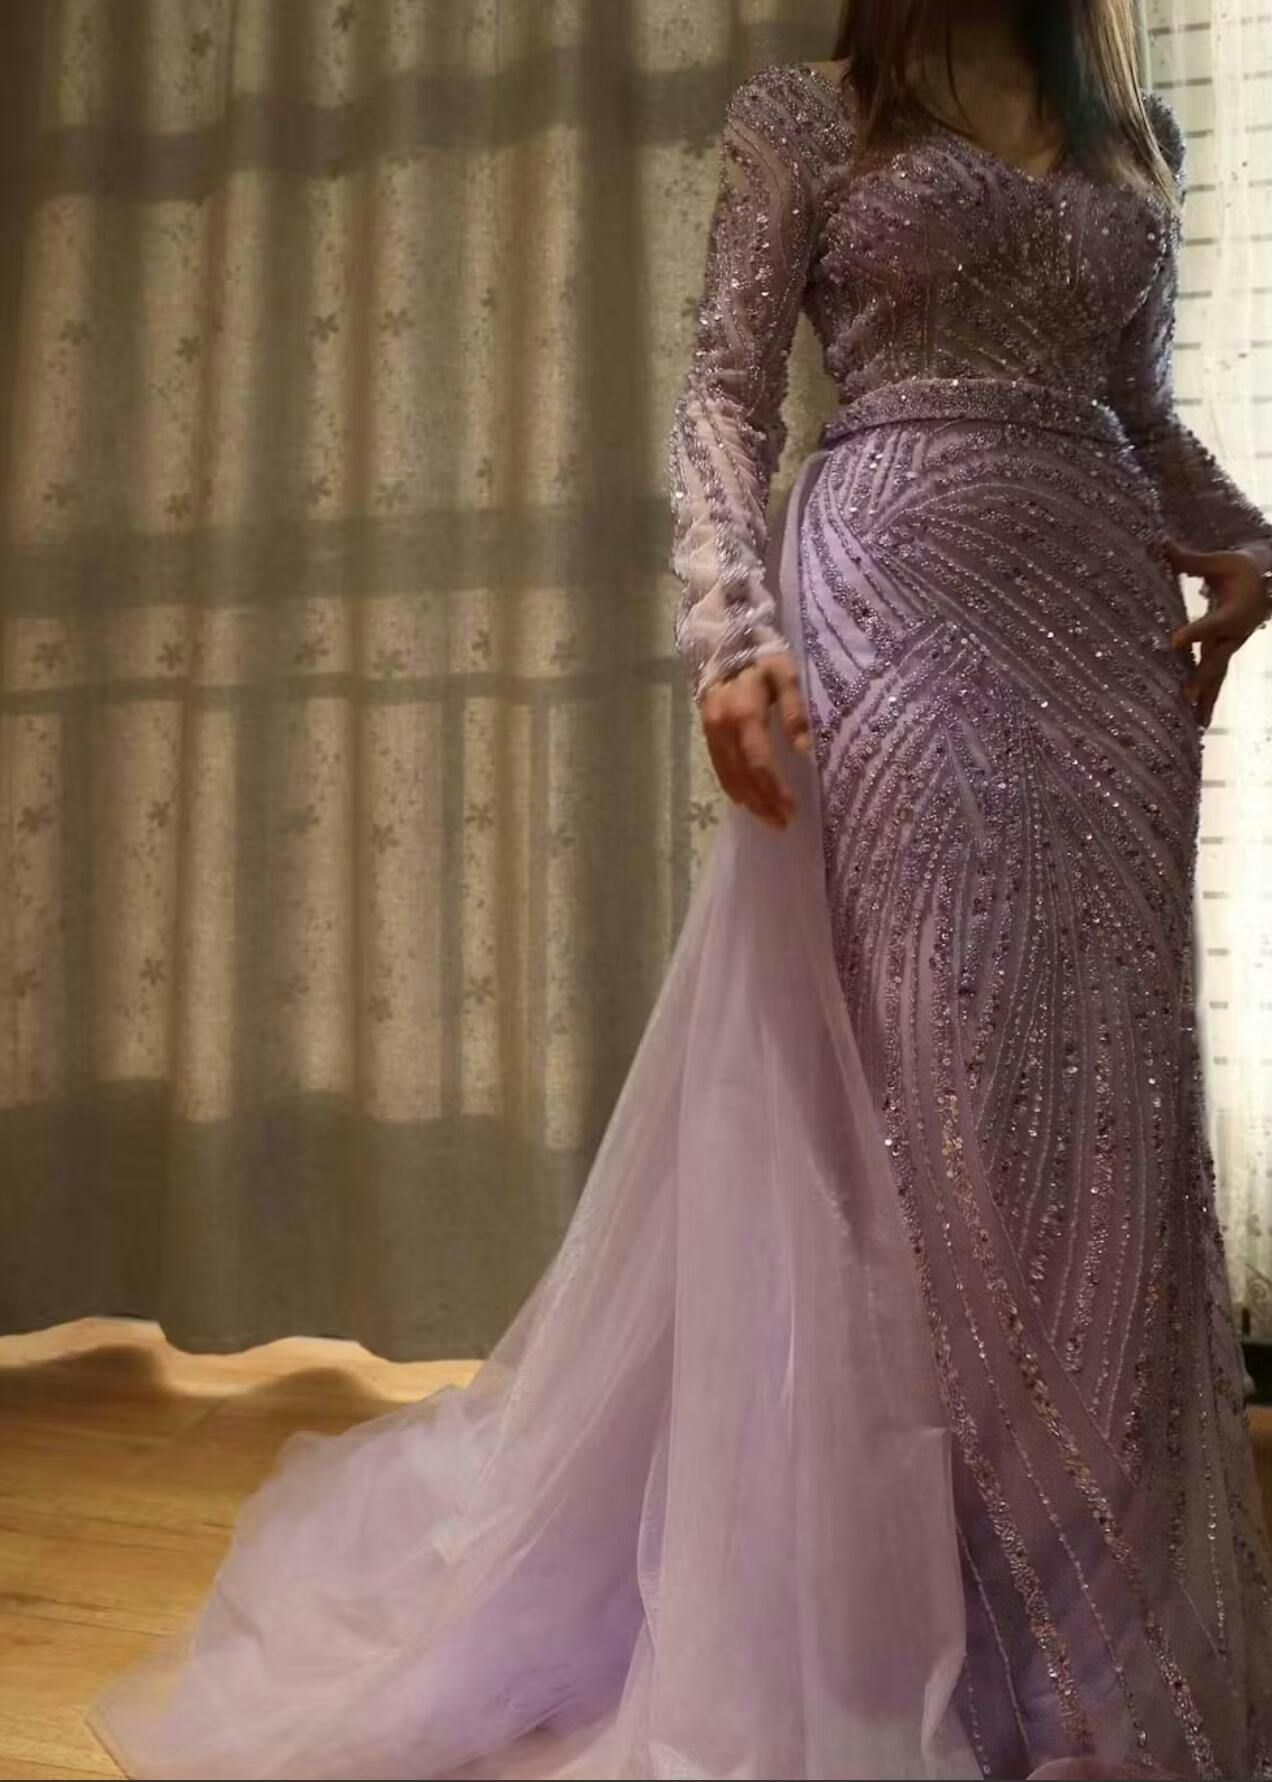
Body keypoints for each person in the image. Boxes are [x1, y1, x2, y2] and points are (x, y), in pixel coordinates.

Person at [88, 2, 1272, 1778]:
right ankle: (909, 1627)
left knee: (1101, 1124)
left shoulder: (1132, 137)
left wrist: (1254, 545)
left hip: (1105, 654)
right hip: (894, 610)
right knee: (927, 1110)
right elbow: (725, 391)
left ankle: (1092, 1647)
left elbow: (1140, 414)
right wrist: (731, 629)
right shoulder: (812, 119)